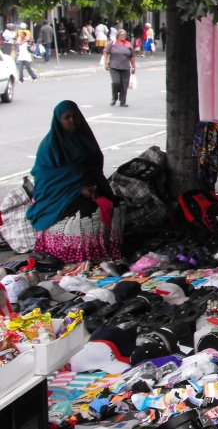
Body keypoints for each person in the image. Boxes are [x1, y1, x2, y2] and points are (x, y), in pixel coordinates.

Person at [26, 101, 122, 263]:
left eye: (75, 116)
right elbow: (48, 179)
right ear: (58, 120)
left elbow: (93, 167)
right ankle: (82, 256)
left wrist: (92, 188)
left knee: (114, 204)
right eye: (67, 117)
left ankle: (106, 251)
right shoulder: (50, 146)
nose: (72, 121)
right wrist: (78, 190)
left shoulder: (84, 137)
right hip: (57, 195)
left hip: (85, 187)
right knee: (88, 210)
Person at [102, 29, 136, 107]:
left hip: (125, 67)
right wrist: (105, 63)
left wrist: (134, 67)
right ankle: (114, 97)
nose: (123, 36)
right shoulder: (112, 43)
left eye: (125, 34)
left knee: (124, 85)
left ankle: (123, 101)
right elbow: (105, 51)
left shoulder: (128, 44)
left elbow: (132, 56)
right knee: (116, 82)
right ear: (118, 35)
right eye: (122, 34)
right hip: (114, 66)